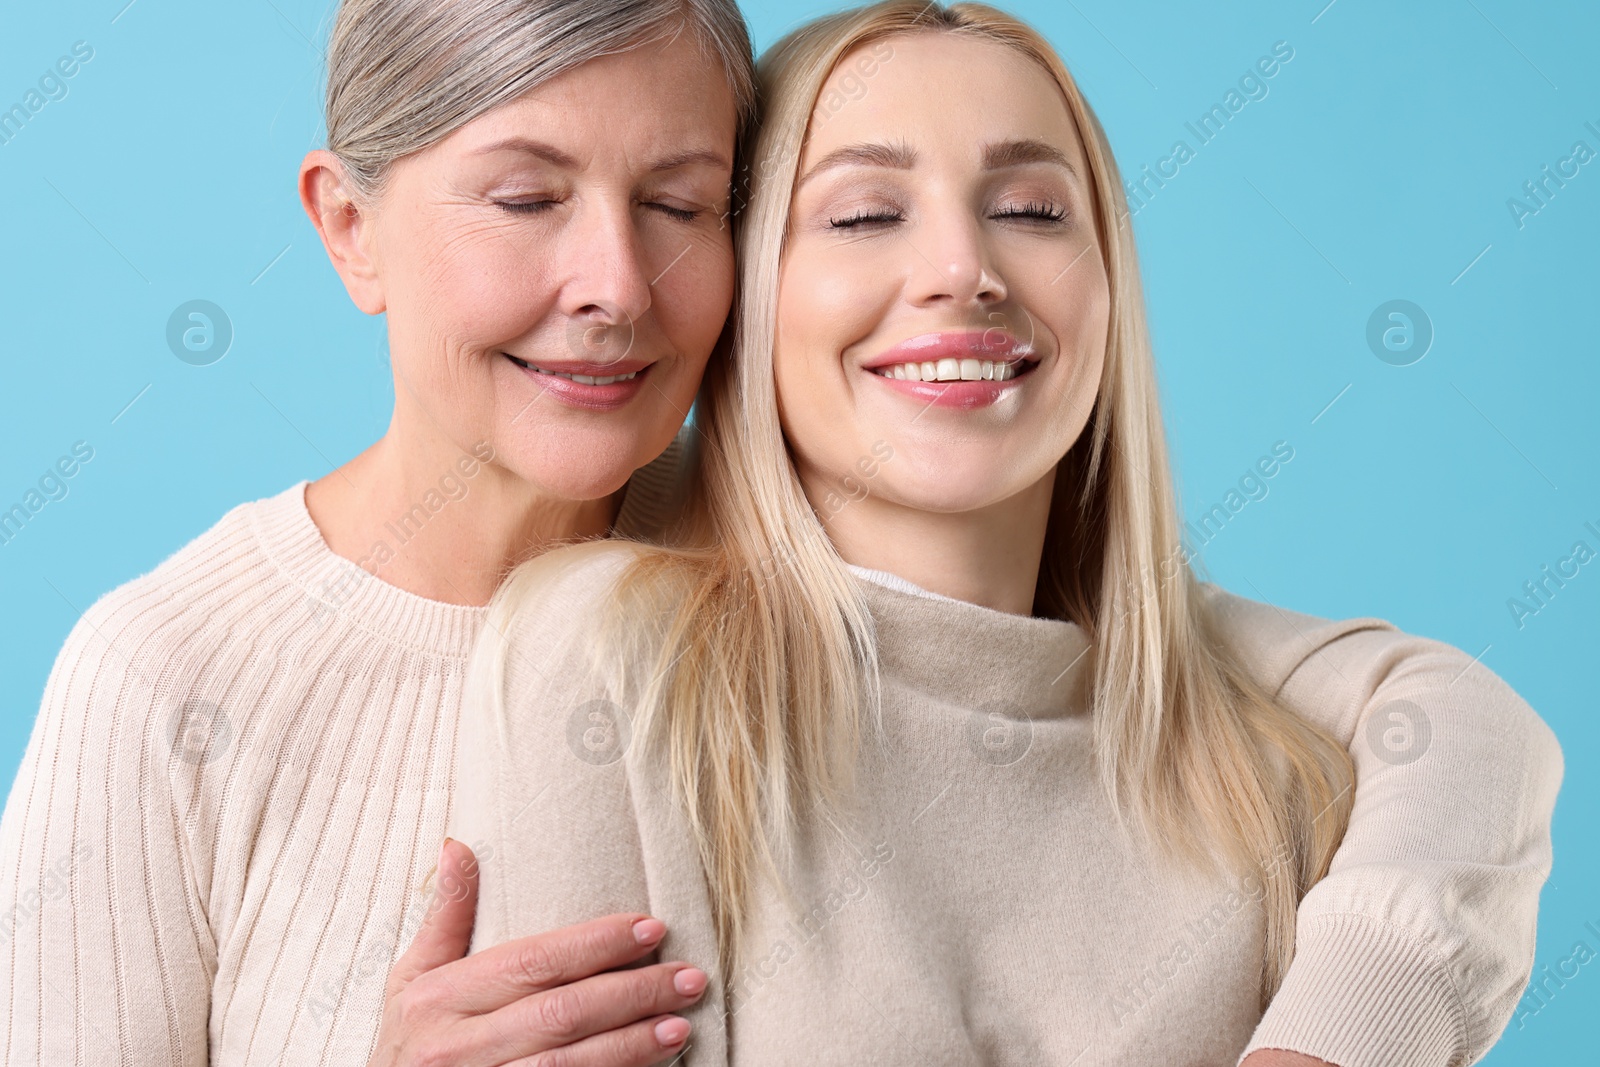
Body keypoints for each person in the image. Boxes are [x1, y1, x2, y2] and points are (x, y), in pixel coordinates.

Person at [447, 3, 1563, 1065]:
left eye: (1030, 212)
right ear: (749, 296)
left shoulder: (1267, 769)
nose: (962, 273)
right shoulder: (607, 658)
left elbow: (1459, 723)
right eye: (863, 213)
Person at [0, 1, 755, 1063]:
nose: (618, 287)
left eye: (680, 203)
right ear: (351, 229)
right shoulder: (163, 680)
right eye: (528, 197)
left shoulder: (805, 593)